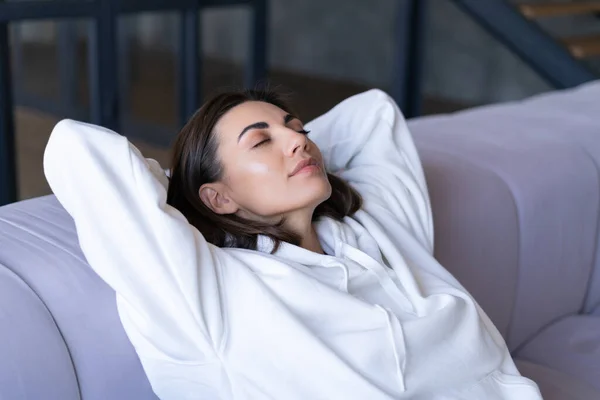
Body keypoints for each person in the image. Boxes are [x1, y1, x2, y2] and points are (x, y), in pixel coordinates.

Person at [43, 88, 542, 399]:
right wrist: (189, 193)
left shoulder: (378, 229)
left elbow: (373, 113)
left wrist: (284, 154)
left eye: (297, 129)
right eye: (261, 142)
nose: (299, 141)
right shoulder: (210, 292)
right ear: (216, 196)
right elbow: (78, 150)